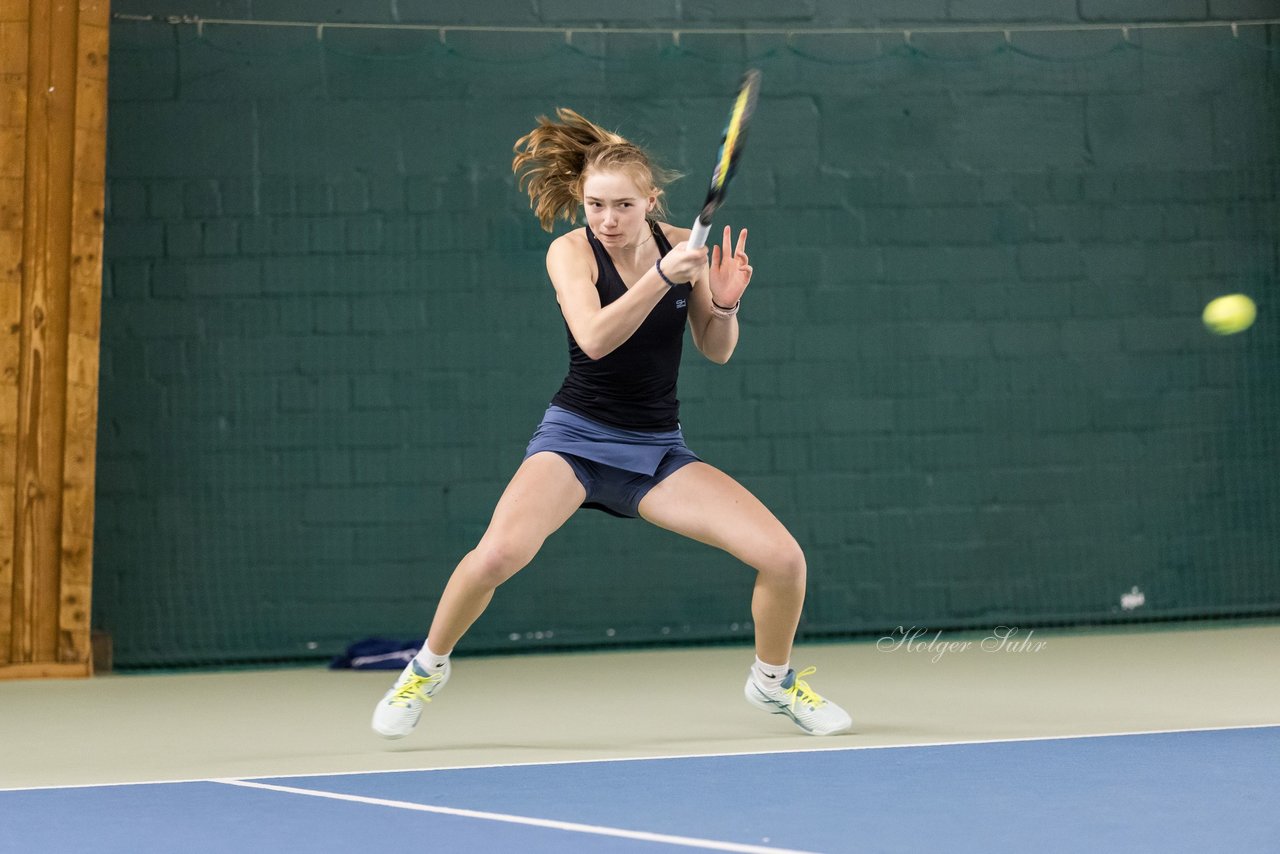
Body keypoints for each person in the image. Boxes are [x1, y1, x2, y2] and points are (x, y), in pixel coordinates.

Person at [371, 108, 852, 738]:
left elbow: (715, 347)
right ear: (581, 200)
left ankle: (773, 683)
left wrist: (725, 300)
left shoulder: (686, 247)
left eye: (624, 205)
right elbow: (595, 339)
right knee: (497, 556)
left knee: (783, 559)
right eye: (596, 204)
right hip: (574, 439)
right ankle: (426, 669)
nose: (608, 219)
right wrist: (661, 276)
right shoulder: (569, 253)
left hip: (656, 451)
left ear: (650, 202)